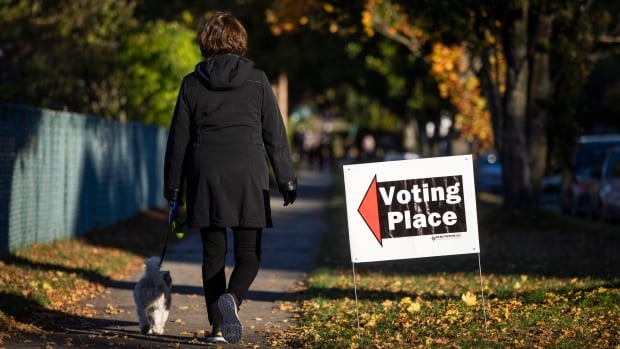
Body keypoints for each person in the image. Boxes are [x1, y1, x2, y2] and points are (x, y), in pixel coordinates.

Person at [163, 11, 297, 344]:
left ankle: (219, 327)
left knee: (213, 255)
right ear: (240, 40)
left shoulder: (192, 83)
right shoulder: (257, 79)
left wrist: (173, 186)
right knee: (249, 255)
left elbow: (178, 139)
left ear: (205, 42)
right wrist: (286, 178)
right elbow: (274, 133)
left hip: (205, 175)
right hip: (249, 174)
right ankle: (233, 300)